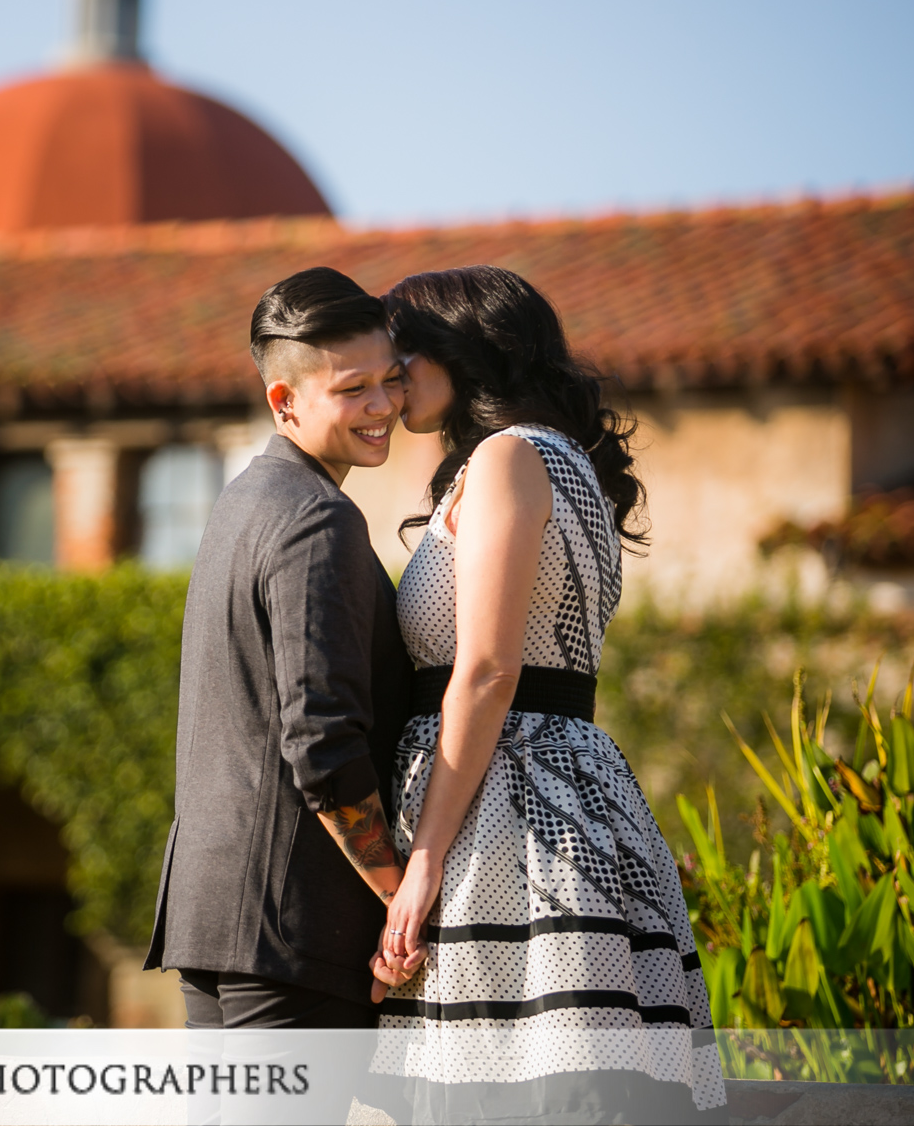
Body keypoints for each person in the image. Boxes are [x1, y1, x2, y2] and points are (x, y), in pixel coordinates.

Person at [366, 266, 727, 1123]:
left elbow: (488, 670)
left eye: (403, 355)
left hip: (511, 814)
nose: (389, 377)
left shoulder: (509, 457)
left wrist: (421, 866)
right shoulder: (547, 461)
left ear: (463, 353)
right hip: (549, 793)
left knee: (518, 1087)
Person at [143, 266, 414, 1030]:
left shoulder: (242, 502)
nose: (383, 407)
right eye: (353, 389)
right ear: (285, 400)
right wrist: (400, 895)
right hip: (292, 924)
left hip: (210, 914)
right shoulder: (316, 519)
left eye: (390, 382)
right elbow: (322, 741)